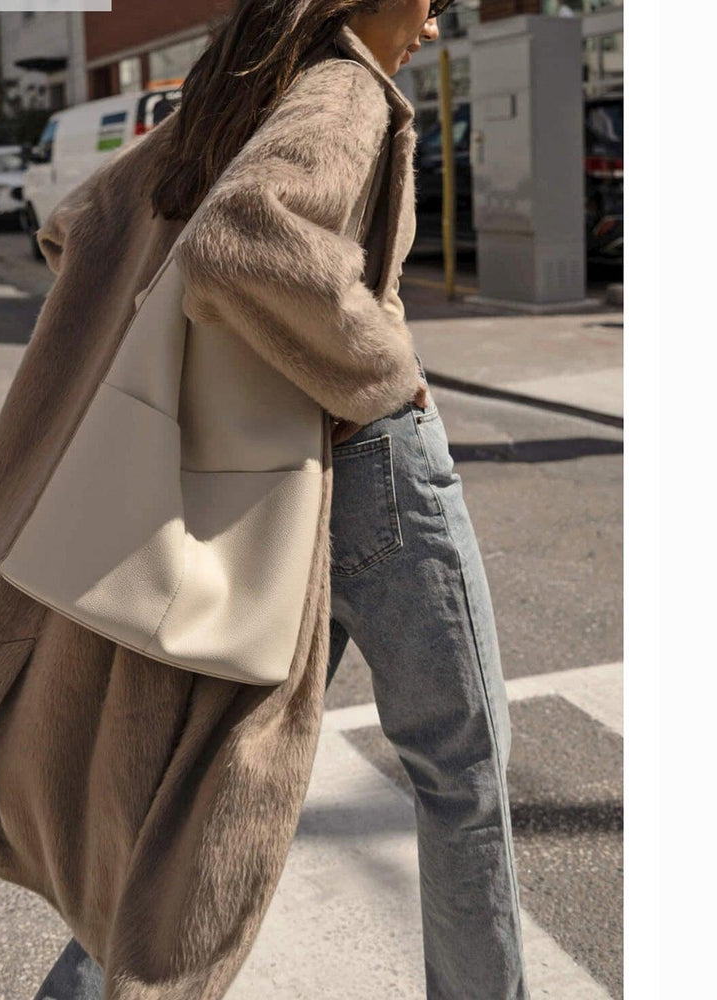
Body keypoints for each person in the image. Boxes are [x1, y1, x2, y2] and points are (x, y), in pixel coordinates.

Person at [33, 2, 530, 999]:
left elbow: (76, 224)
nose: (433, 28)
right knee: (461, 772)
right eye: (428, 3)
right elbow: (239, 237)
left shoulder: (241, 89)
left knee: (205, 787)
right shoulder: (346, 90)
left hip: (278, 491)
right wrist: (385, 370)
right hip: (378, 465)